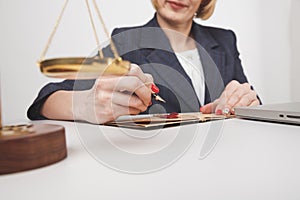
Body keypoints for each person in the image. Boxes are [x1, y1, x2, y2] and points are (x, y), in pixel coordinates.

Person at [27, 0, 260, 124]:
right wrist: (86, 105)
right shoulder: (128, 41)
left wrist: (244, 99)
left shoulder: (224, 39)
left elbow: (252, 101)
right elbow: (47, 98)